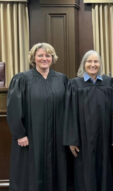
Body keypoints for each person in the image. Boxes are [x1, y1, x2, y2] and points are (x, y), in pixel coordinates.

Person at [7, 42, 68, 191]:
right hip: (31, 137)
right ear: (33, 58)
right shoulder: (22, 79)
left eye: (48, 55)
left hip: (56, 136)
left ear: (52, 58)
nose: (44, 58)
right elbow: (13, 108)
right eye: (40, 55)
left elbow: (68, 108)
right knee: (31, 174)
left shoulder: (62, 79)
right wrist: (20, 134)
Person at [63, 50, 113, 191]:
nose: (93, 64)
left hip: (104, 137)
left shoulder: (108, 82)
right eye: (89, 61)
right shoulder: (74, 84)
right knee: (84, 170)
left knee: (104, 167)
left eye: (96, 61)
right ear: (83, 64)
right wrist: (72, 139)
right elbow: (69, 112)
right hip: (82, 137)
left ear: (100, 64)